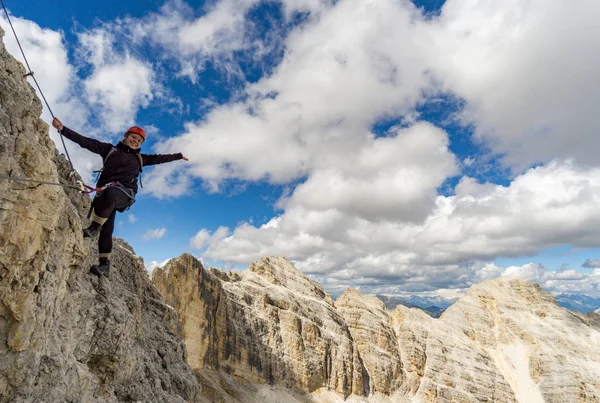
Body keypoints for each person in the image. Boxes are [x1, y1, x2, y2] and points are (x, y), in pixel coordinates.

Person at [51, 117, 189, 277]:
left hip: (125, 193)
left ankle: (94, 228)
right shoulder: (109, 150)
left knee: (110, 196)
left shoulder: (141, 159)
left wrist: (178, 155)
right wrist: (62, 129)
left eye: (139, 140)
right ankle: (104, 266)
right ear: (126, 137)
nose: (135, 141)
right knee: (107, 228)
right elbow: (86, 142)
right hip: (104, 193)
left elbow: (161, 158)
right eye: (133, 137)